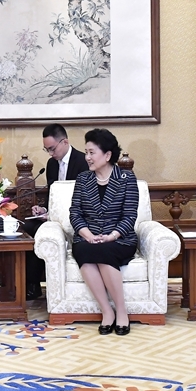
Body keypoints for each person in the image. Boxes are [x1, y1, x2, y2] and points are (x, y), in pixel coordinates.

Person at [69, 128, 139, 336]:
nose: (87, 157)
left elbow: (130, 216)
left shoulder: (126, 178)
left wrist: (112, 236)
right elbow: (75, 213)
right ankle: (107, 311)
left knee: (104, 251)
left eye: (92, 152)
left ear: (107, 155)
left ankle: (122, 311)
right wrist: (88, 236)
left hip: (119, 238)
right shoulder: (83, 179)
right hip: (88, 238)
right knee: (84, 251)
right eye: (86, 152)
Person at [23, 123, 89, 300]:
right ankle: (31, 284)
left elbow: (84, 199)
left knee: (40, 230)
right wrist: (43, 209)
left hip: (76, 217)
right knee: (28, 228)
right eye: (47, 150)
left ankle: (32, 283)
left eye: (52, 149)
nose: (50, 154)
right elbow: (52, 195)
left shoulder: (83, 162)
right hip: (53, 218)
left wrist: (56, 214)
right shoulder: (51, 164)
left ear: (64, 142)